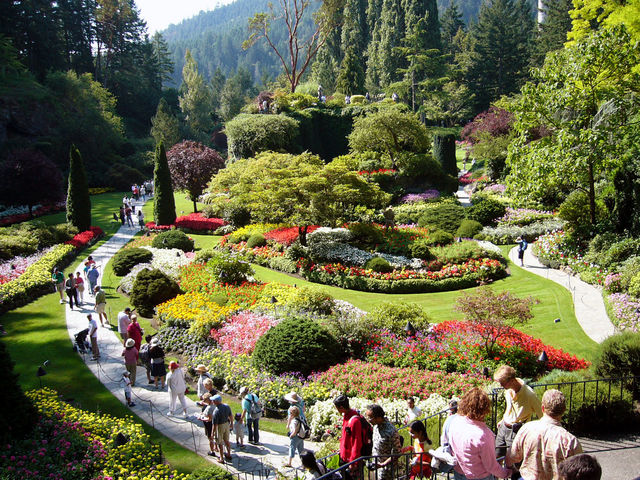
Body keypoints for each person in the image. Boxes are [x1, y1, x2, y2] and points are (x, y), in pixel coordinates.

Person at [508, 389, 583, 480]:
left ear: (542, 408)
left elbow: (511, 457)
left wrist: (512, 471)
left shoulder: (527, 429)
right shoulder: (570, 441)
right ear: (563, 410)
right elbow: (578, 471)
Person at [449, 387, 512, 480]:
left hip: (459, 472)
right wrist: (507, 473)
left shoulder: (455, 422)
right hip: (479, 476)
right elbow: (491, 466)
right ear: (484, 409)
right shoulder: (483, 435)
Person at [493, 365, 542, 459]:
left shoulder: (529, 395)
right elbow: (509, 408)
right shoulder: (508, 390)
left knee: (512, 460)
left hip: (515, 431)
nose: (501, 386)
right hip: (503, 427)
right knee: (497, 455)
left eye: (502, 383)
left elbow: (542, 415)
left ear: (511, 381)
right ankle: (498, 474)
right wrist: (503, 419)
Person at [365, 404, 402, 480]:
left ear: (378, 417)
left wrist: (383, 464)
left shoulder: (391, 431)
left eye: (370, 418)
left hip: (386, 470)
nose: (368, 420)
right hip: (375, 466)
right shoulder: (375, 427)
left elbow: (397, 453)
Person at [334, 394, 364, 475]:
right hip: (345, 457)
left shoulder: (354, 421)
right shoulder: (347, 416)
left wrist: (353, 462)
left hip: (351, 460)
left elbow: (356, 443)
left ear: (341, 408)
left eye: (337, 408)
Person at [211, 394, 233, 463]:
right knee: (227, 440)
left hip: (220, 426)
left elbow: (215, 424)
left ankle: (221, 458)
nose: (212, 402)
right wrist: (231, 424)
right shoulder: (227, 406)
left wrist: (212, 433)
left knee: (220, 442)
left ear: (217, 401)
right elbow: (231, 416)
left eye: (214, 401)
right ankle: (229, 454)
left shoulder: (216, 411)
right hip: (226, 424)